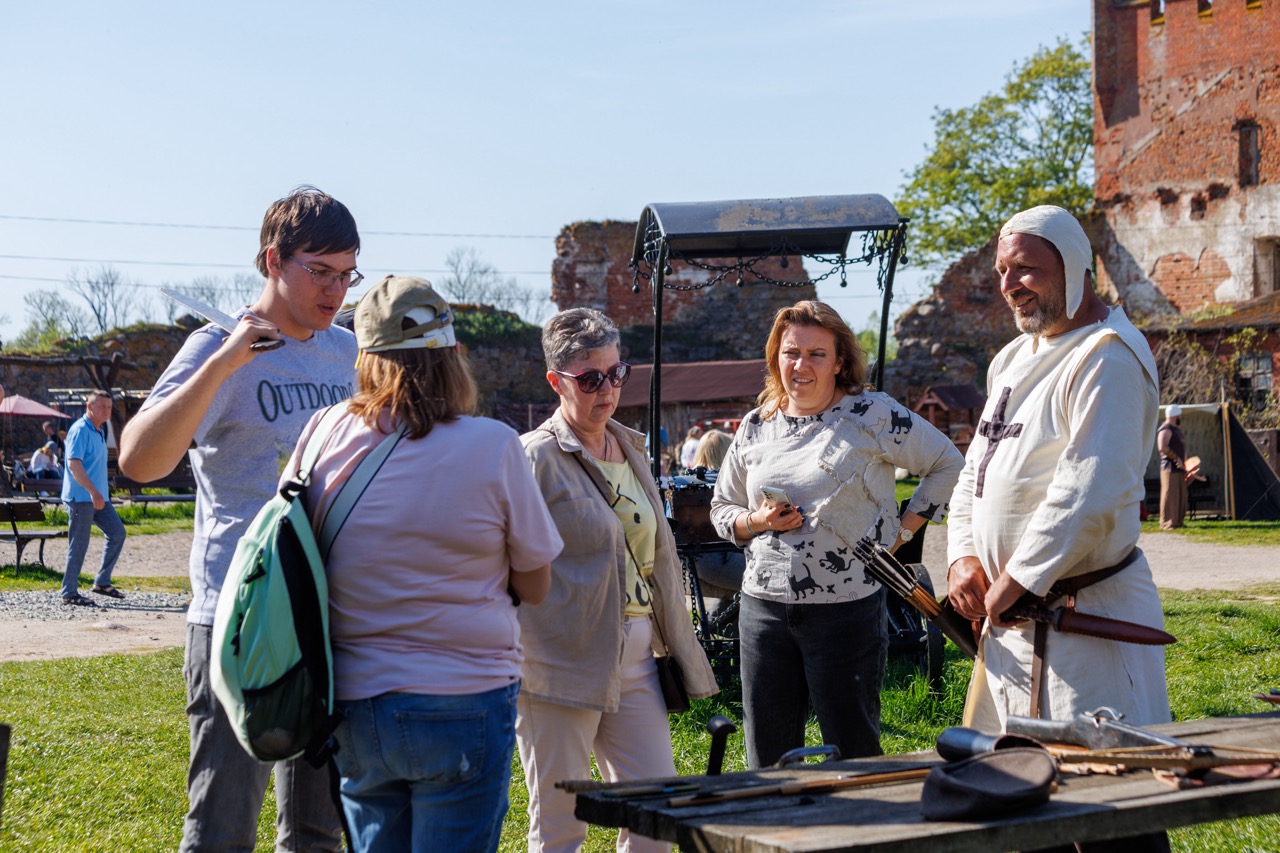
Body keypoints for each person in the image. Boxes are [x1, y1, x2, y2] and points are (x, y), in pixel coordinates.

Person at [119, 186, 360, 852]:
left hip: (330, 617)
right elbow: (138, 458)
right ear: (272, 260)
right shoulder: (215, 345)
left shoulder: (346, 354)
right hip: (240, 616)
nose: (335, 289)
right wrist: (226, 359)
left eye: (347, 273)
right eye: (321, 270)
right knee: (221, 829)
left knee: (317, 832)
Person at [288, 275, 561, 853]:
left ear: (364, 358)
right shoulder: (492, 445)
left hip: (354, 698)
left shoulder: (321, 433)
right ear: (453, 356)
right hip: (464, 694)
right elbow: (536, 584)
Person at [710, 300, 964, 769]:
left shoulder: (872, 412)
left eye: (816, 354)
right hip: (763, 612)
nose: (800, 365)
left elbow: (948, 463)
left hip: (846, 613)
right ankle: (781, 838)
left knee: (853, 752)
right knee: (767, 758)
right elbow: (722, 509)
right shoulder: (756, 425)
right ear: (775, 358)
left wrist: (902, 533)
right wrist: (758, 521)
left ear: (840, 361)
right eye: (790, 353)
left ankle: (859, 836)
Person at [947, 204, 1171, 732]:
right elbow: (973, 473)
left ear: (1074, 265)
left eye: (1025, 268)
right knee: (1017, 784)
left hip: (1087, 622)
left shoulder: (1106, 354)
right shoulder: (1010, 359)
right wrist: (962, 558)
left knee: (1109, 792)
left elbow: (1089, 491)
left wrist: (1018, 578)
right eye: (1002, 271)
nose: (1010, 285)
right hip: (1009, 625)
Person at [517, 307, 718, 853]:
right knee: (561, 823)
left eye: (615, 373)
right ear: (556, 381)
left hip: (636, 654)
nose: (607, 389)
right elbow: (498, 561)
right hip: (560, 659)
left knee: (655, 812)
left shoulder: (629, 447)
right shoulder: (534, 457)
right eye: (589, 379)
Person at [60, 390, 127, 605]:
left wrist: (99, 494)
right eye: (102, 407)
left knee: (117, 533)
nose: (107, 411)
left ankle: (101, 582)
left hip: (98, 498)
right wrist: (93, 492)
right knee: (78, 545)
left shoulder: (99, 429)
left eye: (109, 407)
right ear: (89, 407)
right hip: (82, 497)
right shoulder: (80, 429)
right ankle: (69, 593)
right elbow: (73, 464)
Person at [1156, 404, 1188, 530]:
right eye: (1179, 414)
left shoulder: (1176, 430)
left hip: (1179, 468)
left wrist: (1185, 463)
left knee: (1180, 495)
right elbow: (1162, 448)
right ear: (1176, 415)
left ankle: (1178, 521)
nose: (1180, 417)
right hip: (1169, 468)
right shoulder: (1166, 429)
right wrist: (1176, 458)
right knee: (1170, 495)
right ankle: (1167, 522)